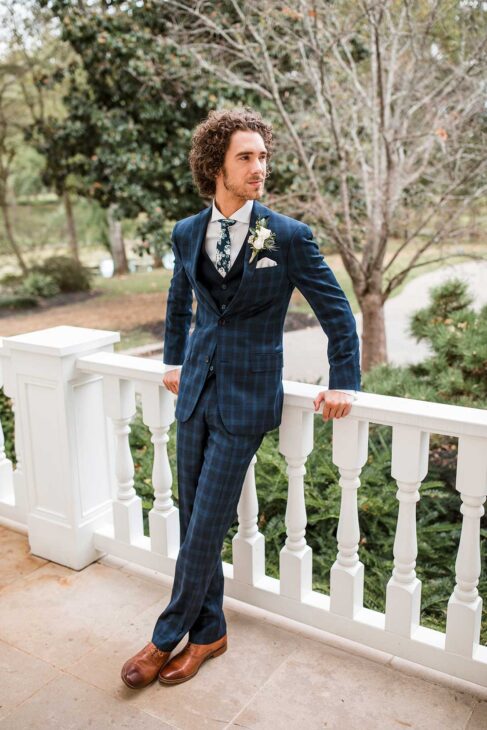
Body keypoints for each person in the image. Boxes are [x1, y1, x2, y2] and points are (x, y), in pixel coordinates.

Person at [121, 108, 360, 689]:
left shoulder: (289, 236)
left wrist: (344, 380)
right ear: (216, 167)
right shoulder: (185, 232)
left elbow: (337, 315)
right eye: (245, 158)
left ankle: (163, 636)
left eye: (262, 156)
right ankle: (209, 632)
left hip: (249, 397)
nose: (260, 168)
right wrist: (173, 361)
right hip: (195, 392)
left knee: (205, 522)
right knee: (189, 516)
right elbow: (180, 303)